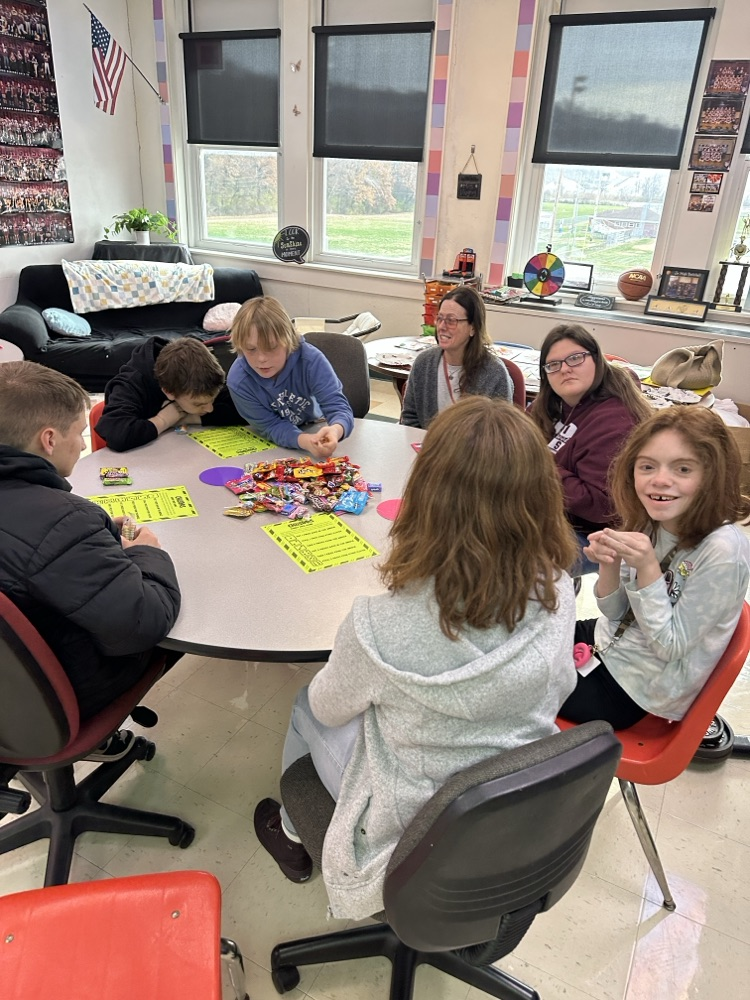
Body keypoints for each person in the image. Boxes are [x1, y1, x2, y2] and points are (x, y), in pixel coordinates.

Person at [253, 396, 579, 919]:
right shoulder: (559, 588)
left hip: (414, 826)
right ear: (542, 495)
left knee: (303, 703)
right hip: (516, 804)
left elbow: (329, 708)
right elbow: (563, 687)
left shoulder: (378, 624)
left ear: (425, 494)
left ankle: (294, 830)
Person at [0, 361, 181, 733]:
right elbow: (143, 624)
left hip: (12, 684)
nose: (83, 444)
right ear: (48, 440)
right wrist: (148, 551)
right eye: (79, 433)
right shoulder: (65, 522)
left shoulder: (64, 524)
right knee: (178, 621)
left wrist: (91, 538)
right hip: (51, 699)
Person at [560, 407, 750, 730]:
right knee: (522, 637)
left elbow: (669, 646)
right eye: (647, 466)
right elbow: (615, 613)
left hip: (639, 689)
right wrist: (610, 564)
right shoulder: (651, 521)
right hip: (612, 644)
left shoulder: (723, 551)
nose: (660, 480)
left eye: (683, 469)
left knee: (514, 677)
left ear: (712, 476)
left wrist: (647, 568)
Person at [529, 324, 651, 574]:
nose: (564, 369)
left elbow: (600, 506)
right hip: (546, 513)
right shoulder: (552, 404)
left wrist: (537, 464)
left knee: (500, 560)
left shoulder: (615, 419)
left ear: (596, 360)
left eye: (575, 358)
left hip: (591, 535)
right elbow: (517, 440)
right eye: (553, 365)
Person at [227, 296, 354, 459]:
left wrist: (336, 430)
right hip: (281, 446)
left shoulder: (311, 360)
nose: (261, 359)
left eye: (271, 348)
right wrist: (304, 441)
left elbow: (338, 406)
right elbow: (270, 426)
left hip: (319, 425)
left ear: (288, 340)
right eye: (251, 349)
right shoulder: (238, 381)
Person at [96, 335, 239, 452]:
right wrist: (163, 420)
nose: (210, 409)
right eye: (198, 404)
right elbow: (117, 434)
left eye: (212, 400)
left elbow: (243, 410)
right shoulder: (131, 385)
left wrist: (187, 417)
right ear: (168, 392)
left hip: (180, 455)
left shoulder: (203, 373)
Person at [400, 285, 512, 429]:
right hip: (428, 448)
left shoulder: (494, 373)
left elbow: (500, 434)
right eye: (439, 318)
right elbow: (410, 418)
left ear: (473, 328)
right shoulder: (424, 363)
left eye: (451, 320)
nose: (442, 326)